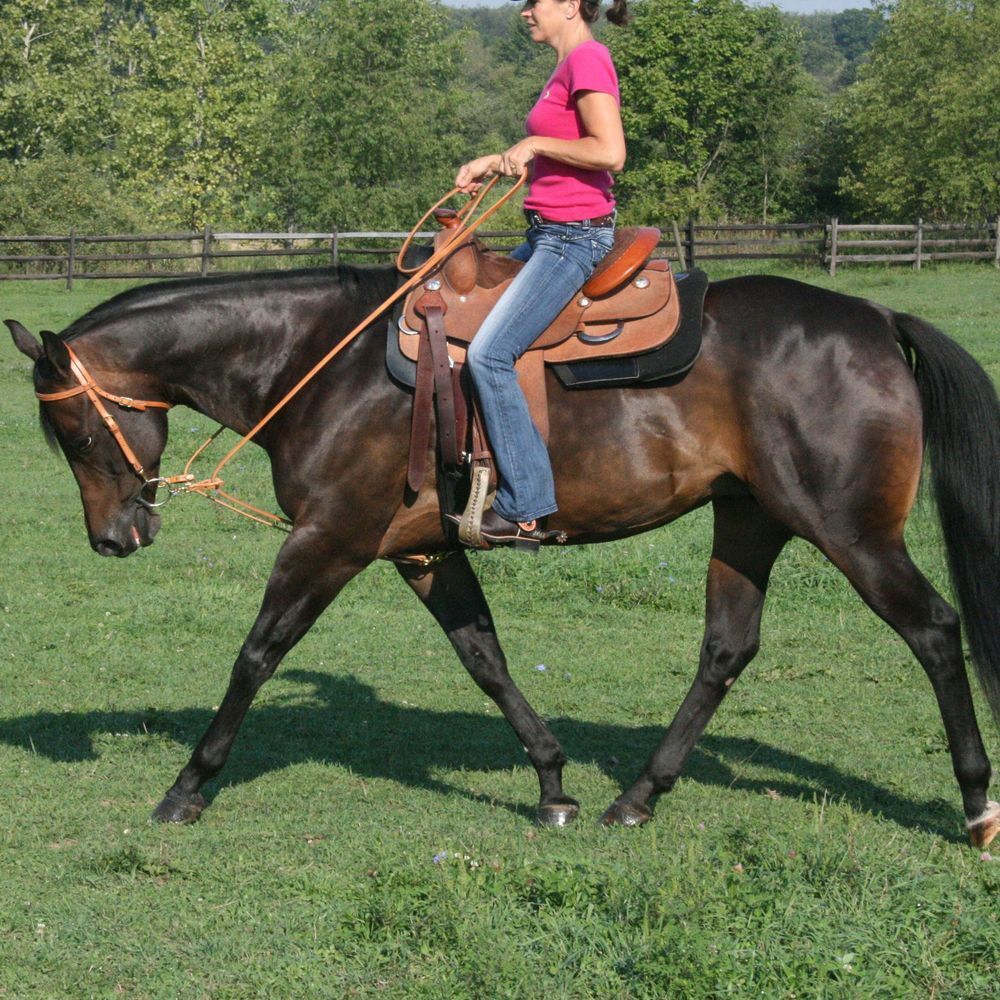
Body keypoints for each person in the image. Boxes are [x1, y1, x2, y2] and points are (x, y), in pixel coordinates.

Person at [453, 0, 629, 548]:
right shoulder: (564, 65)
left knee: (489, 352)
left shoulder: (589, 59)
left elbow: (609, 152)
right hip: (546, 231)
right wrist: (496, 159)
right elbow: (562, 153)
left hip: (574, 238)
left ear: (571, 5)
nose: (525, 11)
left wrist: (532, 143)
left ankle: (525, 504)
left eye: (535, 2)